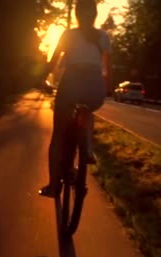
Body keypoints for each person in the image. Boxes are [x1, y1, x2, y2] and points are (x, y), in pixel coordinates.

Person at [38, 0, 112, 197]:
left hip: (72, 83)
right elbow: (107, 68)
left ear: (78, 14)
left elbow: (53, 61)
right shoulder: (104, 36)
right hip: (96, 87)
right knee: (87, 109)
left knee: (58, 135)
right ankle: (87, 148)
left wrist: (41, 78)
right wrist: (106, 88)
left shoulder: (68, 34)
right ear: (95, 14)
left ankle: (54, 186)